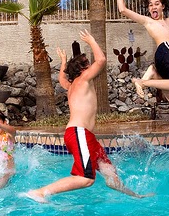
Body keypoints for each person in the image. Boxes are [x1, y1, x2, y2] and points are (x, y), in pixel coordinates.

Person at [24, 30, 153, 203]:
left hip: (84, 135)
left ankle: (137, 197)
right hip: (79, 133)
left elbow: (62, 79)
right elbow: (101, 60)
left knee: (109, 173)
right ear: (83, 69)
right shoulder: (84, 79)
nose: (90, 64)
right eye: (86, 63)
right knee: (85, 179)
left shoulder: (71, 85)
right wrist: (92, 40)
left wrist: (63, 62)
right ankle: (40, 192)